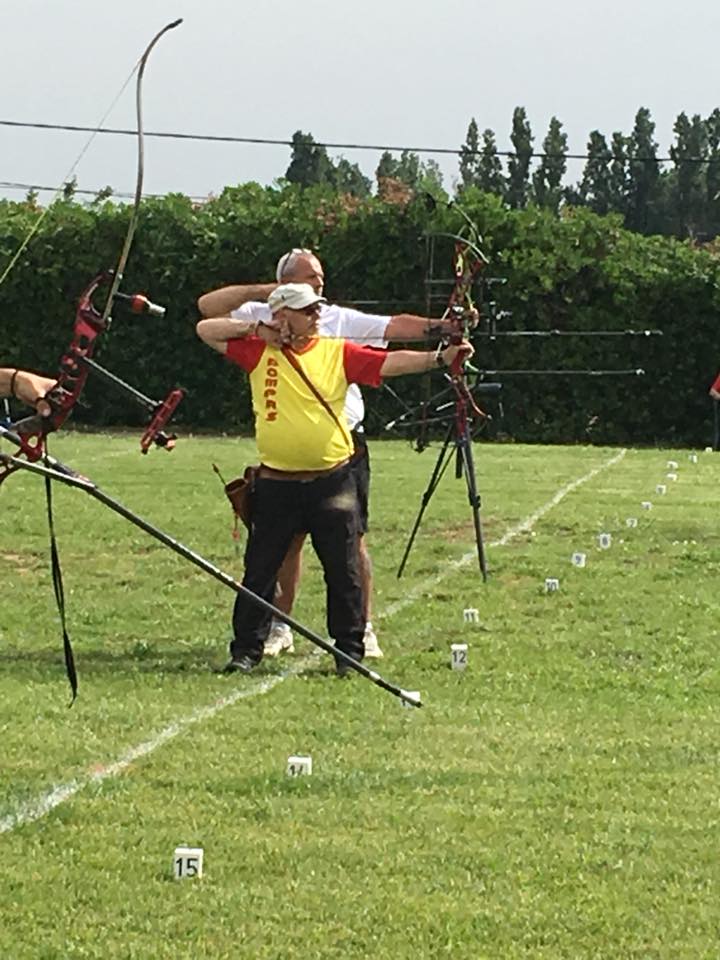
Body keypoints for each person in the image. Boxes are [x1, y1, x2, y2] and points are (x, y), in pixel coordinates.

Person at [198, 248, 467, 661]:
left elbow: (390, 361)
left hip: (331, 479)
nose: (317, 314)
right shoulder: (258, 351)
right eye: (307, 310)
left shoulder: (335, 349)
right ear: (283, 316)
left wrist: (440, 357)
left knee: (343, 570)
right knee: (260, 570)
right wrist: (258, 328)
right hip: (276, 481)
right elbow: (206, 327)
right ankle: (247, 649)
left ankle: (350, 649)